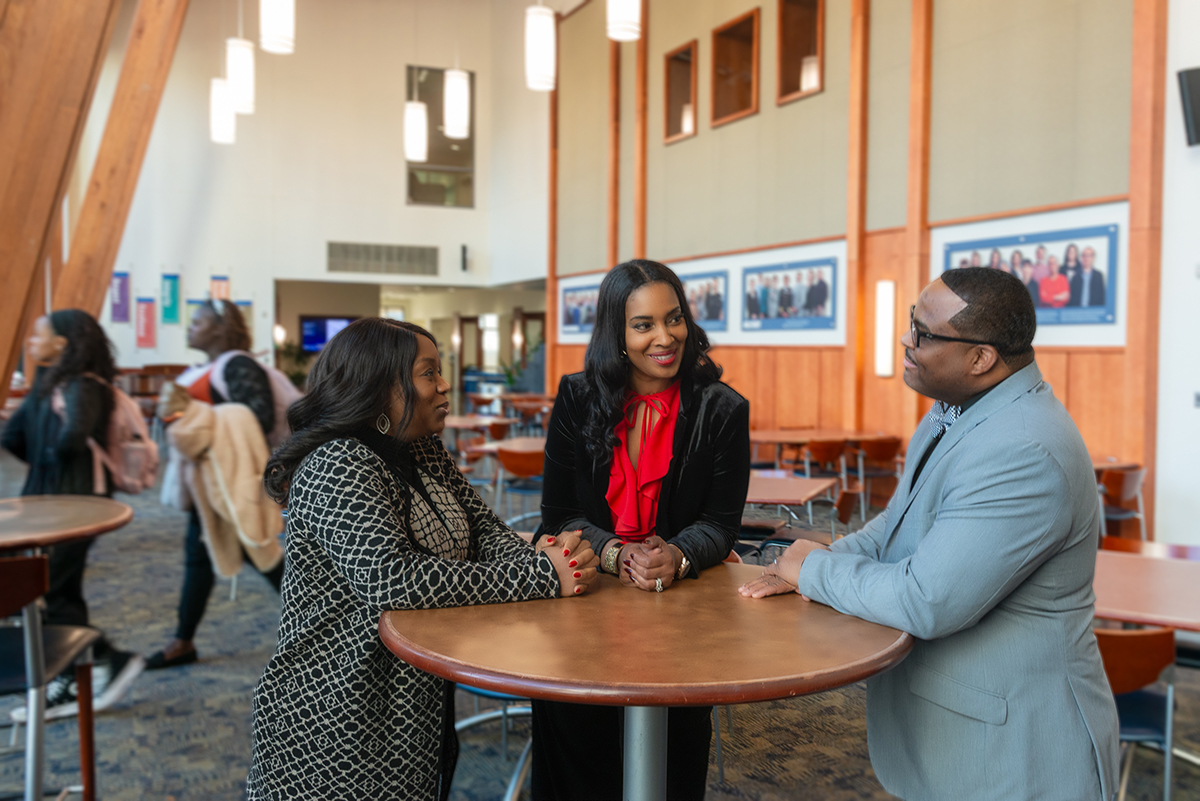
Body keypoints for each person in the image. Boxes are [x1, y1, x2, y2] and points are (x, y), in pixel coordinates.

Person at [741, 268, 1119, 801]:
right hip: (962, 736)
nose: (905, 339)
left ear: (980, 359)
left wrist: (814, 568)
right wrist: (804, 570)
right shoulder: (955, 411)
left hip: (1015, 752)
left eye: (922, 332)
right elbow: (894, 528)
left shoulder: (1024, 450)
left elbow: (927, 600)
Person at [246, 319, 596, 801]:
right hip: (337, 711)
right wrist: (539, 574)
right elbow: (393, 580)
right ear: (380, 388)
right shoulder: (337, 463)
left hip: (409, 704)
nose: (444, 384)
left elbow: (485, 531)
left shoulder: (423, 448)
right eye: (428, 373)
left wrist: (552, 561)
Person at [532, 259, 751, 800]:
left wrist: (674, 557)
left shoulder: (721, 409)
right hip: (584, 603)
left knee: (671, 760)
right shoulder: (577, 397)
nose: (665, 337)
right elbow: (558, 512)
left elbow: (720, 525)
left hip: (684, 616)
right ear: (617, 333)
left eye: (673, 319)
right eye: (643, 324)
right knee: (578, 750)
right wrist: (615, 556)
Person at [1, 310, 144, 718]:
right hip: (65, 501)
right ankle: (76, 674)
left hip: (74, 505)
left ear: (61, 343)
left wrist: (45, 464)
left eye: (38, 333)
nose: (31, 341)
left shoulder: (73, 385)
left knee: (51, 588)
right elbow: (30, 438)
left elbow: (69, 436)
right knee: (52, 589)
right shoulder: (62, 383)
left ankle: (103, 660)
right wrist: (52, 461)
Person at [146, 299, 285, 670]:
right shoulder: (206, 369)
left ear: (221, 329)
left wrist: (196, 416)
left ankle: (329, 628)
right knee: (202, 556)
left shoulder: (238, 364)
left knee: (263, 555)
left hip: (235, 480)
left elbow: (256, 416)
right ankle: (183, 639)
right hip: (213, 482)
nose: (190, 328)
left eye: (198, 322)